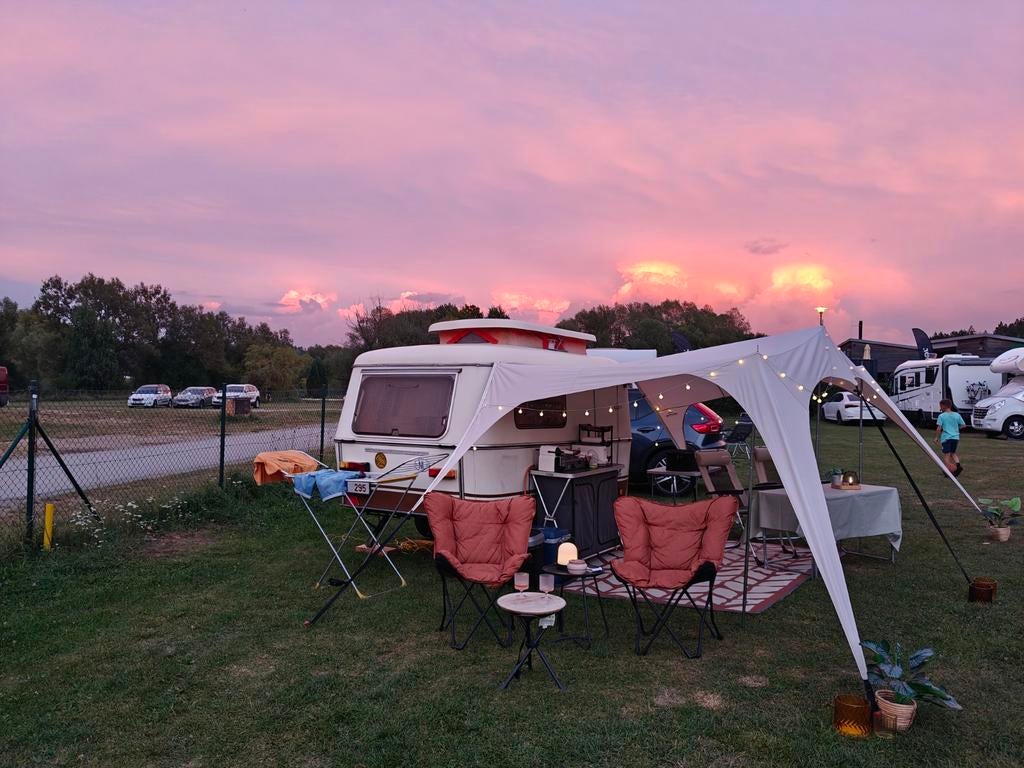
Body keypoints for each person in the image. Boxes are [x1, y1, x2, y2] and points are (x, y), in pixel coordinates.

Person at [935, 399, 965, 477]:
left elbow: (939, 428)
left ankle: (949, 471)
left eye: (941, 406)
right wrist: (955, 429)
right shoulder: (956, 415)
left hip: (946, 438)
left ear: (944, 406)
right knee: (953, 453)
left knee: (946, 455)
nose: (940, 408)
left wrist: (936, 437)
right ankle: (958, 466)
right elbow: (963, 425)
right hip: (955, 438)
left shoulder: (941, 416)